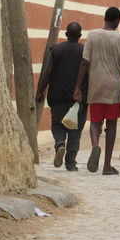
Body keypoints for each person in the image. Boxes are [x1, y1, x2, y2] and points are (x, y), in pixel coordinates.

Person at [73, 7, 120, 175]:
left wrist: (77, 86)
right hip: (114, 87)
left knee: (95, 122)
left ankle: (95, 146)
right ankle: (106, 166)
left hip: (96, 85)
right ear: (118, 21)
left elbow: (84, 62)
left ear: (104, 18)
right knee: (111, 123)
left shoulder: (92, 35)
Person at [36, 22, 88, 171]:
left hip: (57, 96)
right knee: (75, 130)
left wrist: (40, 91)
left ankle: (59, 143)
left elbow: (47, 73)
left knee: (57, 124)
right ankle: (70, 163)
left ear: (66, 34)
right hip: (78, 98)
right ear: (80, 35)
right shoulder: (85, 51)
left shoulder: (56, 49)